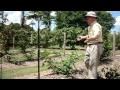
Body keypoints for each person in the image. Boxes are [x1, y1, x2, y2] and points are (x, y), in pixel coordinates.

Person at [77, 11, 103, 79]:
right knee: (87, 61)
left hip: (96, 45)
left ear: (92, 18)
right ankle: (92, 75)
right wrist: (83, 37)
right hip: (90, 45)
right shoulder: (90, 27)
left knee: (93, 64)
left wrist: (89, 39)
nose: (86, 20)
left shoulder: (96, 25)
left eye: (87, 18)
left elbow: (96, 35)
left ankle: (92, 77)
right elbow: (90, 35)